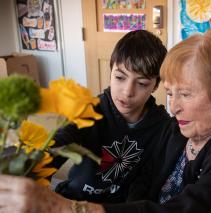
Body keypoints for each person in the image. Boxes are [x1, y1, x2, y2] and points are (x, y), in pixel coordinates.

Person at [0, 29, 211, 213]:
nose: (173, 107)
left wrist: (68, 209)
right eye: (171, 93)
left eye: (185, 94)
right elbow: (145, 180)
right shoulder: (180, 132)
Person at [50, 30, 170, 203]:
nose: (127, 92)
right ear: (110, 71)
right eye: (120, 77)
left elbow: (146, 183)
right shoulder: (90, 111)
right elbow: (59, 142)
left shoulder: (162, 126)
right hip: (76, 200)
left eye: (142, 83)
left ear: (156, 85)